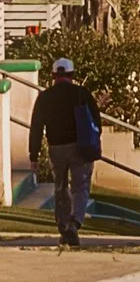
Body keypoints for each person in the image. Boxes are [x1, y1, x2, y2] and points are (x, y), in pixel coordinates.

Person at [29, 54, 104, 246]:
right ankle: (74, 222)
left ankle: (63, 227)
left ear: (53, 75)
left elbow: (36, 127)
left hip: (56, 148)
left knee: (60, 188)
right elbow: (96, 121)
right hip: (80, 147)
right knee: (80, 187)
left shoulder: (44, 97)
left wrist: (34, 155)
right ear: (72, 74)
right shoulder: (81, 93)